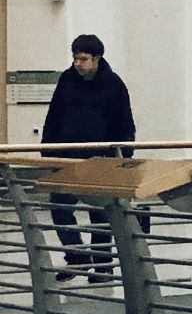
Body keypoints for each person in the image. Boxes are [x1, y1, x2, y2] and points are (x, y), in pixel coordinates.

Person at [42, 34, 135, 279]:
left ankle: (103, 264)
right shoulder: (66, 80)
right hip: (67, 158)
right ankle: (77, 258)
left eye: (83, 59)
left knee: (101, 213)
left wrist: (122, 157)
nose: (78, 64)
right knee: (60, 208)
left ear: (96, 59)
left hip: (101, 160)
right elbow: (54, 116)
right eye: (75, 58)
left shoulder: (114, 84)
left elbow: (125, 124)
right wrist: (47, 150)